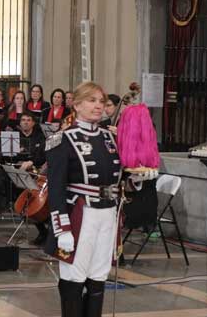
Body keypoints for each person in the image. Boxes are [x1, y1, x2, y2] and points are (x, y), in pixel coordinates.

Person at [45, 81, 152, 317]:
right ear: (77, 105)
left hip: (108, 214)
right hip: (80, 215)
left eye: (101, 101)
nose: (98, 106)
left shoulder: (110, 138)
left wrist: (139, 177)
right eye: (91, 100)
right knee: (74, 276)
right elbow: (55, 189)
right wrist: (62, 229)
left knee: (98, 276)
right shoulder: (63, 139)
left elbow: (121, 180)